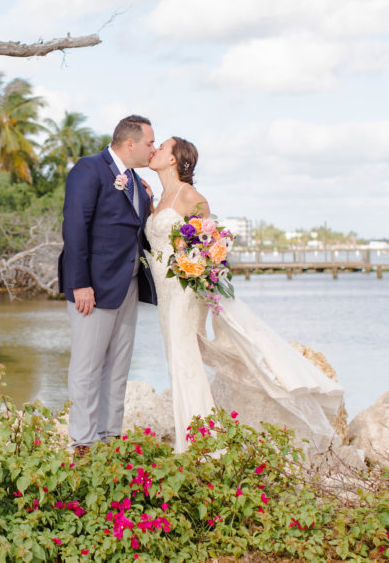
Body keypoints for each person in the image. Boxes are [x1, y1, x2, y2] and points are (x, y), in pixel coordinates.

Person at [146, 137, 344, 453]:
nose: (153, 150)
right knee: (176, 361)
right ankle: (196, 436)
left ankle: (199, 444)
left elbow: (209, 247)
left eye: (161, 147)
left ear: (173, 159)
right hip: (165, 292)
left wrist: (196, 266)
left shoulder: (192, 197)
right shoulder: (157, 198)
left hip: (184, 290)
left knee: (185, 361)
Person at [58, 115, 158, 458]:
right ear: (129, 144)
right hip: (94, 287)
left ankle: (109, 436)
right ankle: (83, 442)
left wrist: (146, 199)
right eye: (150, 143)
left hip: (128, 284)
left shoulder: (134, 180)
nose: (153, 149)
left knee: (118, 366)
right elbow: (74, 227)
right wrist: (80, 283)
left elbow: (135, 228)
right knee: (87, 366)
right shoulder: (89, 169)